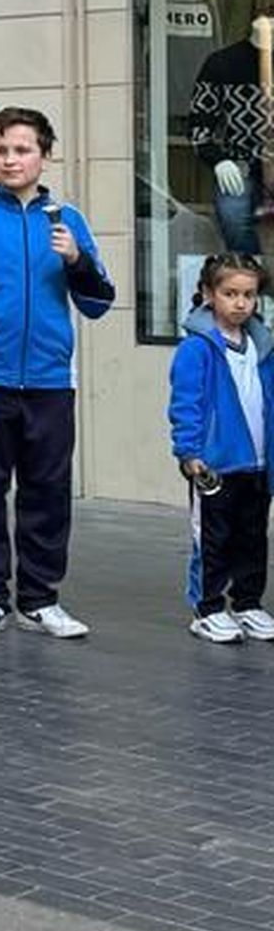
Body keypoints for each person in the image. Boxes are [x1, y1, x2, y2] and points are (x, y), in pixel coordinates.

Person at [0, 106, 113, 641]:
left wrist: (77, 259)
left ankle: (39, 600)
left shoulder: (67, 220)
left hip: (51, 382)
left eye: (21, 149)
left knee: (48, 491)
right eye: (0, 150)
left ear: (44, 154)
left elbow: (100, 301)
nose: (10, 160)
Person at [167, 251, 274, 645]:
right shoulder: (197, 349)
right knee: (212, 539)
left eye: (249, 294)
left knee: (252, 537)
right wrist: (189, 452)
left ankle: (247, 603)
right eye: (230, 293)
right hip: (214, 466)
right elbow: (186, 404)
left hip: (258, 463)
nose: (241, 303)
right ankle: (208, 608)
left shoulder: (262, 347)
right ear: (208, 294)